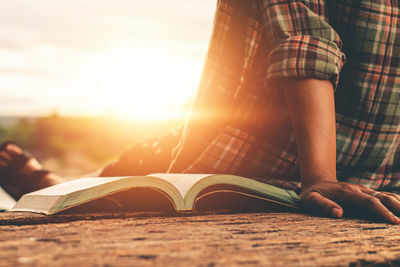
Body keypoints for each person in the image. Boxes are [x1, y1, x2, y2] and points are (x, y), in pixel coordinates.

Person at [1, 0, 400, 223]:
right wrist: (323, 175)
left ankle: (42, 184)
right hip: (338, 170)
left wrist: (319, 176)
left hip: (250, 161)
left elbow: (304, 37)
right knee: (138, 162)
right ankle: (46, 184)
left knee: (142, 167)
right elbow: (305, 39)